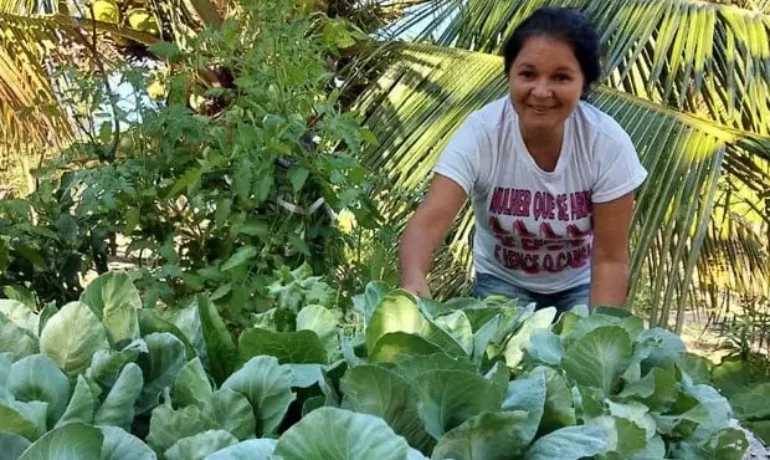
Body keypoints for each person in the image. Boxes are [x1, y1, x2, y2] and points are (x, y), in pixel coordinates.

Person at [397, 7, 648, 312]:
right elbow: (427, 224)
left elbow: (610, 258)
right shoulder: (482, 133)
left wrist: (597, 328)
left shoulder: (607, 144)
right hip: (502, 283)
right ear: (510, 75)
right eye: (528, 74)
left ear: (584, 84)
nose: (541, 92)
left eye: (561, 77)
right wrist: (413, 280)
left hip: (580, 286)